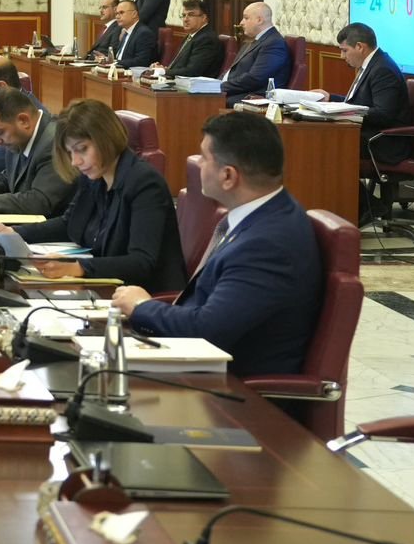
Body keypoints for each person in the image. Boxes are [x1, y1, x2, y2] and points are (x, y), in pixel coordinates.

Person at [113, 112, 321, 376]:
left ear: (228, 176)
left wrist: (142, 307)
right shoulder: (266, 214)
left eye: (204, 157)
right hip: (200, 362)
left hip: (225, 384)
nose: (198, 163)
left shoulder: (267, 245)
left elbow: (205, 331)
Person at [4, 99, 184, 289]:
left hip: (145, 296)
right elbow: (70, 223)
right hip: (105, 286)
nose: (75, 161)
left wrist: (77, 267)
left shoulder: (145, 183)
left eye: (82, 149)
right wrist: (16, 233)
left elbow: (141, 262)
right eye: (70, 152)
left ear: (106, 138)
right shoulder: (95, 176)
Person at [0, 87, 73, 217]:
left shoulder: (54, 143)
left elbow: (40, 201)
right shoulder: (18, 138)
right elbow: (6, 180)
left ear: (23, 121)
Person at [317, 22, 413, 166]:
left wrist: (346, 113)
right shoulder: (372, 64)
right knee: (322, 136)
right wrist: (330, 98)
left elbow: (383, 114)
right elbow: (361, 103)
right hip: (369, 134)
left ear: (360, 47)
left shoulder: (383, 69)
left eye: (345, 50)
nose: (342, 56)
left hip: (383, 142)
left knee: (326, 142)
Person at [220, 1, 293, 104]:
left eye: (246, 18)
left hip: (253, 96)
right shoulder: (255, 40)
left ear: (259, 20)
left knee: (205, 101)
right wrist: (214, 84)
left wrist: (219, 87)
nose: (241, 23)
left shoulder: (274, 43)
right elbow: (233, 71)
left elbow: (255, 79)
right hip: (237, 91)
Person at [159, 0, 225, 78]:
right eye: (184, 15)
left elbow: (192, 71)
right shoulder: (190, 36)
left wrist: (163, 71)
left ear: (203, 18)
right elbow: (180, 66)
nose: (185, 19)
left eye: (190, 15)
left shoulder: (206, 39)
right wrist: (163, 69)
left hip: (196, 85)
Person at [95, 0, 159, 69]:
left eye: (121, 12)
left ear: (134, 14)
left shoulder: (144, 33)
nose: (117, 17)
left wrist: (114, 62)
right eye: (116, 14)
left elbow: (141, 62)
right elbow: (120, 57)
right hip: (118, 70)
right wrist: (107, 60)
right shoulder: (126, 32)